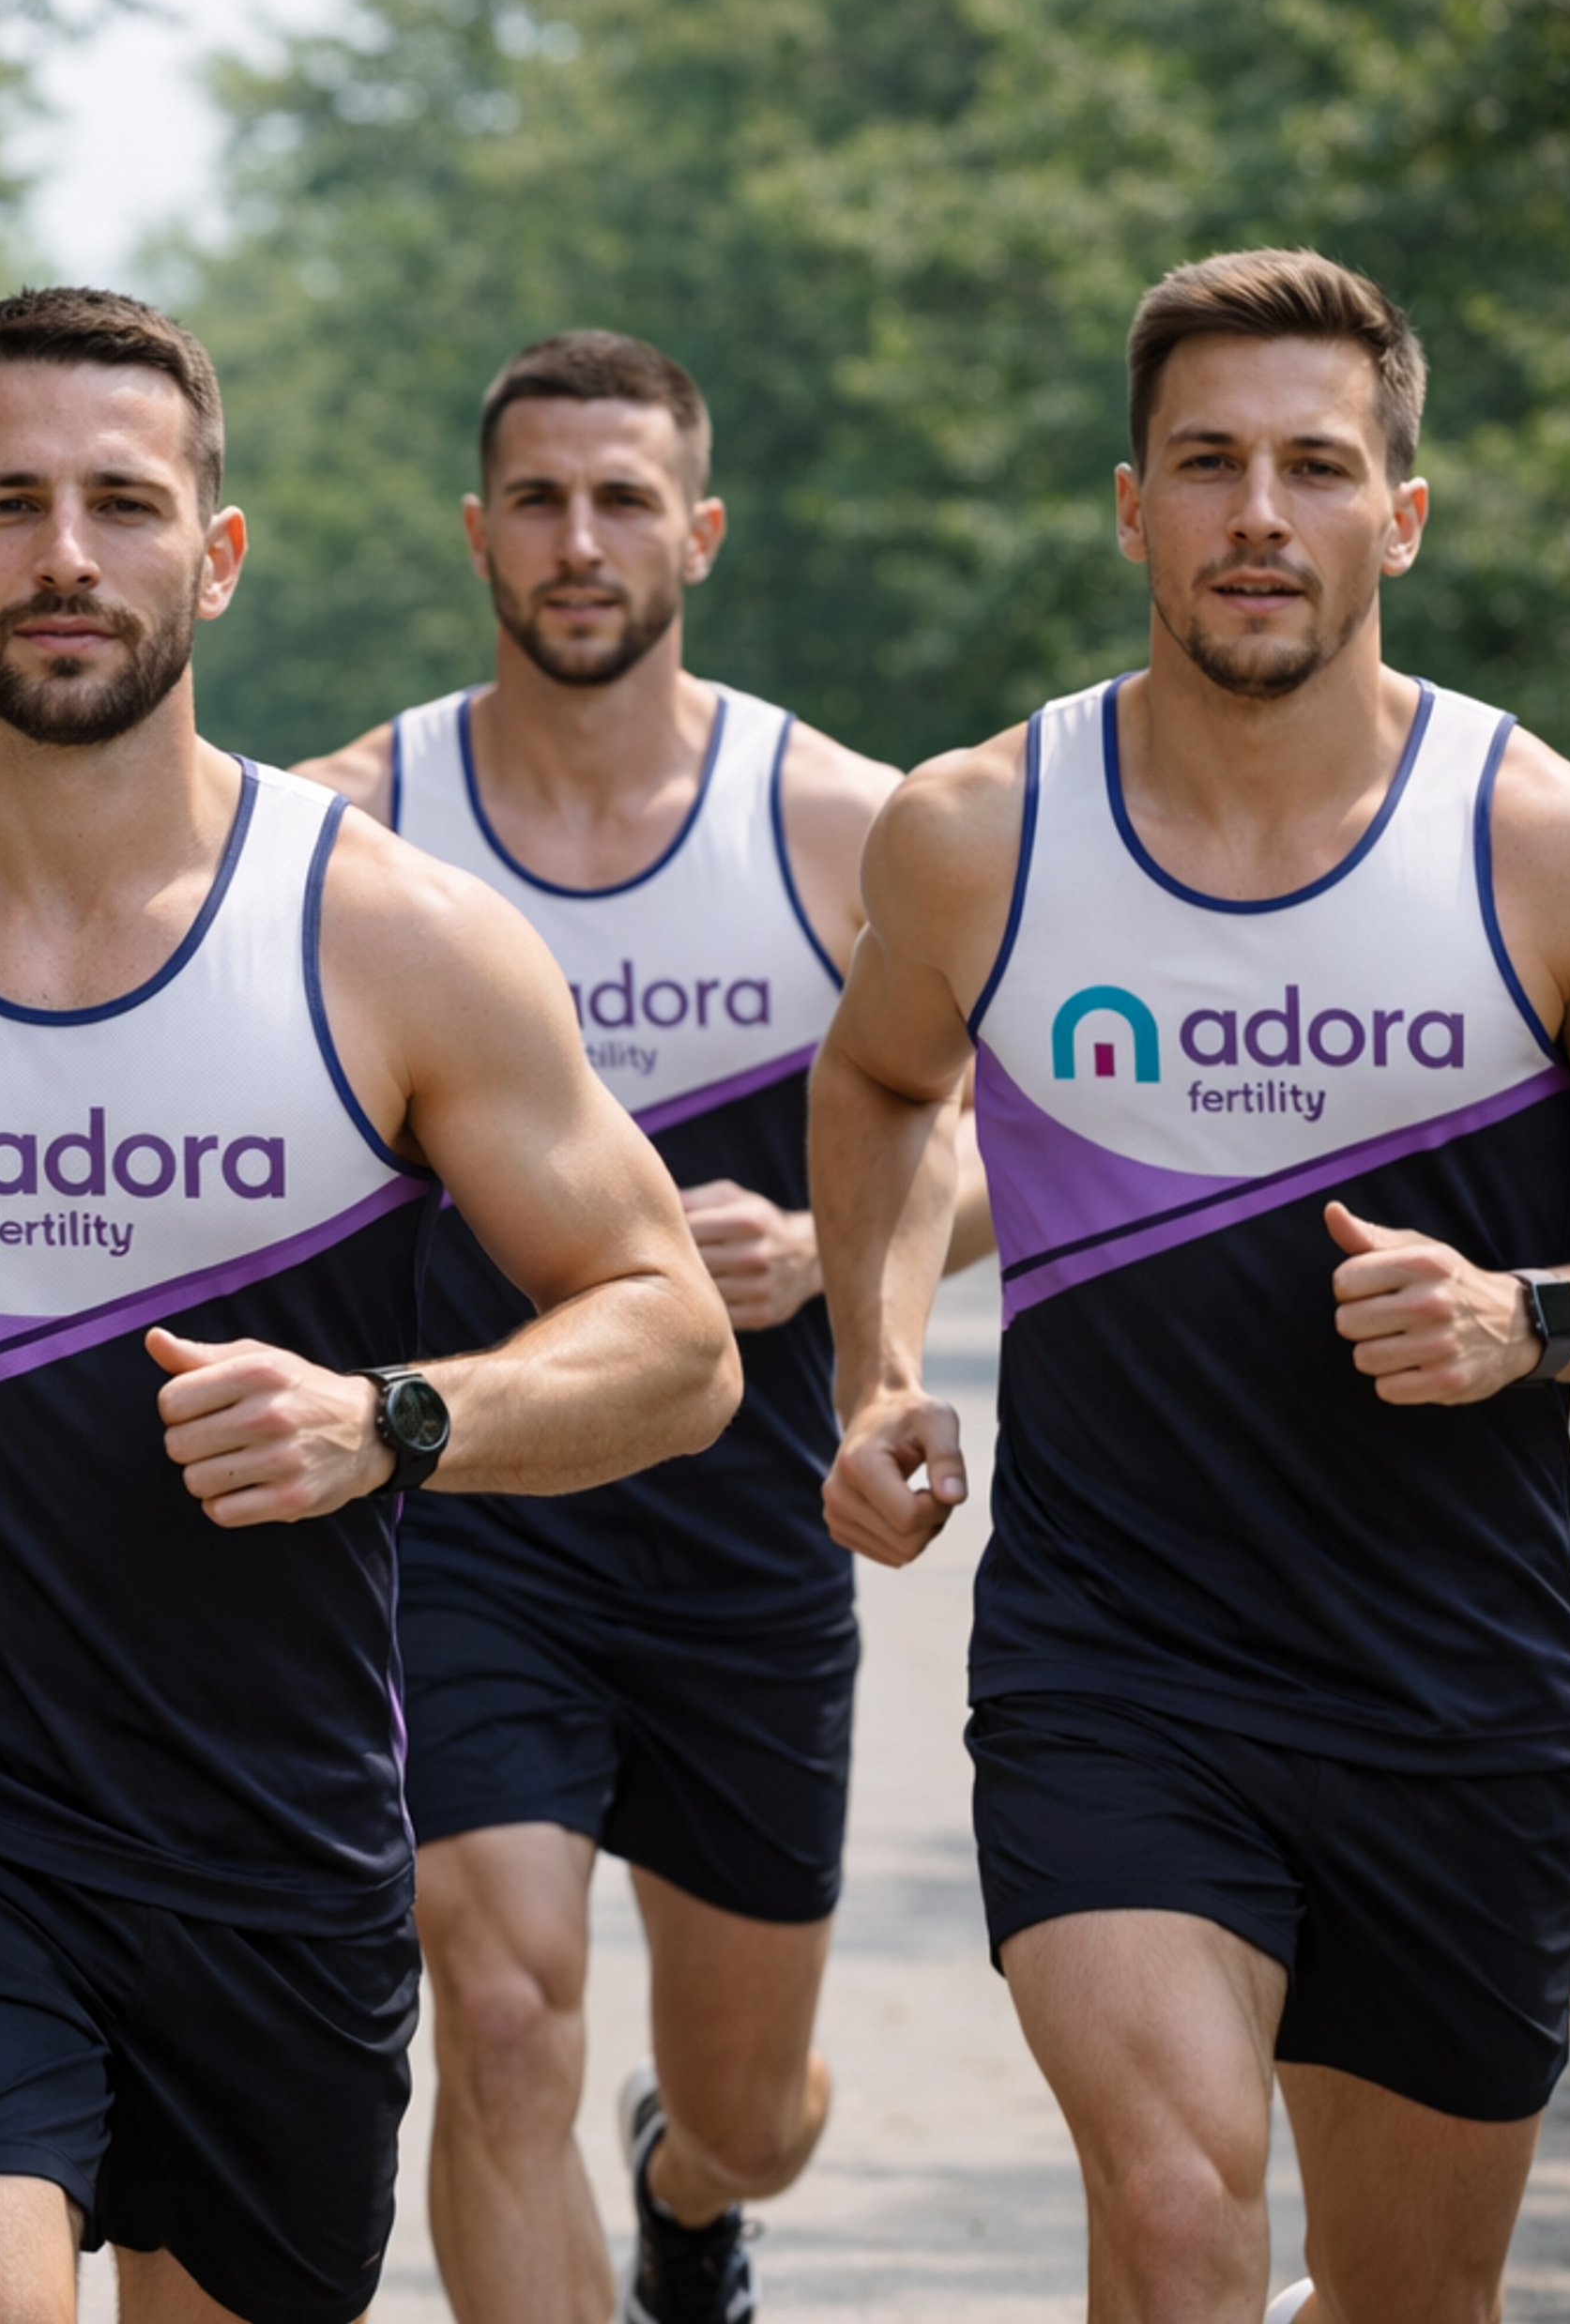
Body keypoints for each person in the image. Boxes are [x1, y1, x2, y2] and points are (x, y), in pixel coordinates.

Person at [0, 287, 742, 2324]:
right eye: (8, 505)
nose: (68, 555)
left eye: (123, 500)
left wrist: (396, 1419)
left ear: (219, 547)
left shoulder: (392, 937)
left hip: (272, 1833)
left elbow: (673, 1335)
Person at [810, 248, 1570, 2324]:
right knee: (1185, 2212)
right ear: (1133, 508)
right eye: (1206, 462)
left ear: (1402, 511)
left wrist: (1541, 1314)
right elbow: (882, 1080)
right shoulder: (980, 835)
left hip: (1449, 1693)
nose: (1259, 514)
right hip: (1114, 1668)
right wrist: (874, 1362)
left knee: (1403, 2294)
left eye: (1314, 464)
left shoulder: (1557, 847)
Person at [298, 330, 986, 2324]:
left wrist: (834, 1247)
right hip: (468, 1513)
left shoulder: (842, 831)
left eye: (621, 500)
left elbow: (1007, 1143)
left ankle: (691, 2185)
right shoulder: (358, 834)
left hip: (745, 1536)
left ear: (699, 527)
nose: (578, 540)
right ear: (477, 533)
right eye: (537, 499)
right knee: (501, 2007)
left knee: (754, 2099)